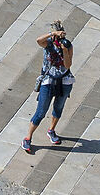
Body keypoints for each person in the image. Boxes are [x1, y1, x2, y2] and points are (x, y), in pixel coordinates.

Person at [22, 20, 74, 153]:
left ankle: (51, 130)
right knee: (41, 112)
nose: (59, 38)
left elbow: (68, 65)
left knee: (58, 108)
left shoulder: (68, 46)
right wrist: (52, 34)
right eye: (57, 36)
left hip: (64, 81)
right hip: (48, 81)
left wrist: (65, 51)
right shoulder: (48, 44)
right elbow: (38, 40)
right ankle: (28, 138)